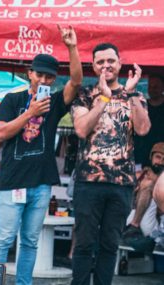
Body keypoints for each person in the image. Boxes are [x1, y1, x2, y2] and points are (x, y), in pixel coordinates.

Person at [0, 25, 82, 285]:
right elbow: (1, 134)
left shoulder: (54, 103)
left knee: (30, 240)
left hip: (40, 183)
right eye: (39, 74)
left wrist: (72, 47)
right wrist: (30, 113)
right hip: (13, 181)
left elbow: (76, 81)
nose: (43, 81)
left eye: (49, 77)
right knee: (3, 239)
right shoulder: (12, 99)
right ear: (29, 73)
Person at [70, 42, 151, 285]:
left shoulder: (135, 95)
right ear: (93, 66)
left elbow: (143, 129)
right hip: (88, 182)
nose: (106, 66)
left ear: (119, 63)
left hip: (122, 183)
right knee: (84, 243)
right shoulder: (85, 94)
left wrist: (129, 94)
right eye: (100, 62)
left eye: (111, 61)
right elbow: (82, 129)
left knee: (110, 244)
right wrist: (104, 97)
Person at [123, 143, 164, 244]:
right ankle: (133, 227)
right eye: (158, 157)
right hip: (131, 217)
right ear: (151, 157)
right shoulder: (140, 173)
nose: (161, 162)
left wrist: (155, 181)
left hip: (154, 225)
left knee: (148, 184)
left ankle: (135, 225)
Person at [134, 74, 164, 167]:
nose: (152, 89)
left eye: (156, 86)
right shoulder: (142, 106)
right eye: (150, 86)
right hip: (142, 152)